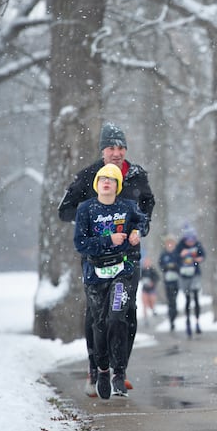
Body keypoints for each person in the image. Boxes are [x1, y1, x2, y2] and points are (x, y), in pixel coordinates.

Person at [58, 122, 155, 397]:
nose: (117, 152)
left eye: (121, 147)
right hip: (97, 259)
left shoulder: (136, 175)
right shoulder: (89, 176)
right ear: (102, 150)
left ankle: (120, 370)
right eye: (111, 147)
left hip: (128, 258)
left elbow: (147, 206)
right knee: (97, 316)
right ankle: (95, 368)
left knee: (126, 313)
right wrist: (95, 214)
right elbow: (64, 211)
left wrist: (138, 228)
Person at [73, 163, 149, 399]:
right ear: (97, 183)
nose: (107, 182)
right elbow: (80, 243)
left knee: (117, 317)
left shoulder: (127, 207)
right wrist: (108, 240)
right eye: (103, 179)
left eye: (112, 179)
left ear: (117, 185)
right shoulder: (86, 209)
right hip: (95, 273)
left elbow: (142, 221)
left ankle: (119, 371)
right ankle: (102, 369)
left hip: (122, 271)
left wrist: (137, 232)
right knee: (100, 323)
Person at [176, 225, 206, 338]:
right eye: (189, 240)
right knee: (187, 298)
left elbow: (203, 255)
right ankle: (188, 321)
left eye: (192, 240)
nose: (191, 243)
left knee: (196, 297)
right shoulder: (180, 246)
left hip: (195, 274)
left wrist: (199, 259)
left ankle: (197, 322)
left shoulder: (197, 244)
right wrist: (180, 256)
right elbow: (175, 258)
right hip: (184, 275)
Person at [158, 234, 181, 332]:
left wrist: (174, 266)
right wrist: (167, 267)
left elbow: (180, 264)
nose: (170, 245)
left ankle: (174, 313)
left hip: (176, 280)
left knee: (174, 299)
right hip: (167, 281)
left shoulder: (177, 253)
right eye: (168, 243)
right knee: (170, 300)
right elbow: (161, 265)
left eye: (171, 243)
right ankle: (171, 319)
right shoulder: (164, 254)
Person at [139, 257, 159, 325]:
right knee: (144, 304)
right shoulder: (142, 270)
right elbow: (139, 278)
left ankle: (153, 309)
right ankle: (145, 319)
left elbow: (157, 278)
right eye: (145, 262)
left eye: (148, 262)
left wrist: (152, 282)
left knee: (151, 303)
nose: (146, 263)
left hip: (152, 289)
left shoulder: (152, 270)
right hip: (145, 289)